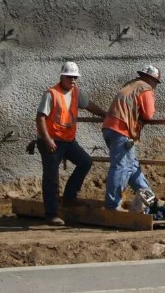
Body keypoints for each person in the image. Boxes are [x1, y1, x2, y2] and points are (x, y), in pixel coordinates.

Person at [35, 61, 107, 225]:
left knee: (85, 162)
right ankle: (51, 214)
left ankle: (69, 197)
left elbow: (88, 105)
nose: (72, 80)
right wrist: (47, 139)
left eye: (75, 77)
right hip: (51, 141)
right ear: (62, 77)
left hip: (67, 140)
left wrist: (105, 115)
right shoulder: (51, 94)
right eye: (69, 77)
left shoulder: (75, 92)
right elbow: (40, 118)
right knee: (51, 177)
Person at [102, 64, 163, 212]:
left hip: (110, 128)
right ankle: (112, 205)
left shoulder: (130, 85)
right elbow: (149, 114)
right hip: (121, 130)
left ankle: (151, 201)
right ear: (150, 79)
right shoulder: (145, 88)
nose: (155, 86)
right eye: (156, 82)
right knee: (121, 167)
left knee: (132, 166)